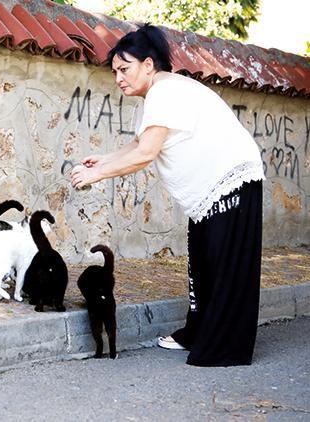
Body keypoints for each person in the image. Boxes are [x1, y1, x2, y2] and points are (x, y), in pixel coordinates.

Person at [70, 24, 265, 367]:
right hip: (212, 191)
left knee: (223, 266)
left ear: (148, 64)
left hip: (232, 181)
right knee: (202, 263)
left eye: (124, 69)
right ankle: (199, 332)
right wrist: (105, 159)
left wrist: (96, 174)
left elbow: (146, 153)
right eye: (115, 71)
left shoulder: (165, 92)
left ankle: (225, 346)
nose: (118, 78)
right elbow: (138, 144)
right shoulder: (157, 95)